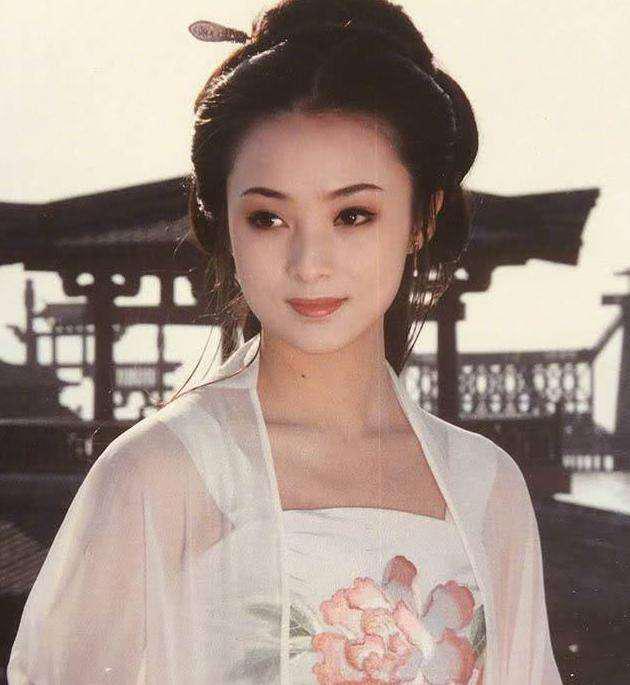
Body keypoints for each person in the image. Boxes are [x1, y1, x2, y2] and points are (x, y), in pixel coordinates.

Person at [8, 0, 563, 683]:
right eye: (268, 218)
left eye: (352, 214)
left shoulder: (486, 486)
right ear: (223, 220)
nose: (308, 263)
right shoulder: (163, 472)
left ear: (423, 216)